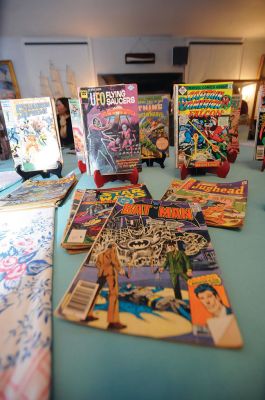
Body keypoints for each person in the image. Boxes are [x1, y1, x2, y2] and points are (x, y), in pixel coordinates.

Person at [90, 243, 126, 330]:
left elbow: (97, 264)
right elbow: (114, 261)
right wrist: (120, 270)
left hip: (101, 274)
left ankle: (88, 314)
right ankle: (113, 321)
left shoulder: (100, 255)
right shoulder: (112, 252)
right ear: (113, 247)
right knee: (113, 295)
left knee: (95, 293)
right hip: (110, 274)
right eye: (115, 248)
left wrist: (102, 269)